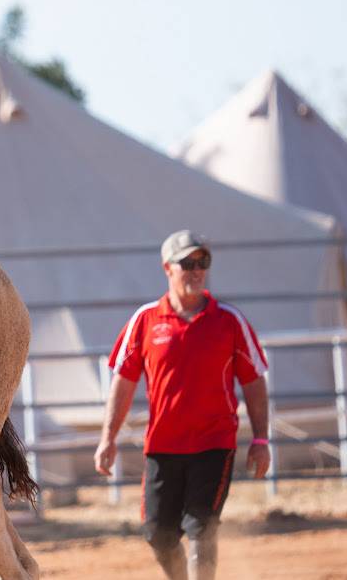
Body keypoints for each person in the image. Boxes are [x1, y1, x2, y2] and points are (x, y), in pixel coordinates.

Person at [94, 230, 272, 580]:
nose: (196, 270)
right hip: (163, 447)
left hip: (214, 444)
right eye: (187, 263)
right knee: (158, 535)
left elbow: (254, 382)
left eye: (202, 262)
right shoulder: (146, 320)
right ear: (167, 268)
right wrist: (108, 438)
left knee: (201, 528)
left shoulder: (229, 321)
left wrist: (261, 440)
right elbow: (124, 383)